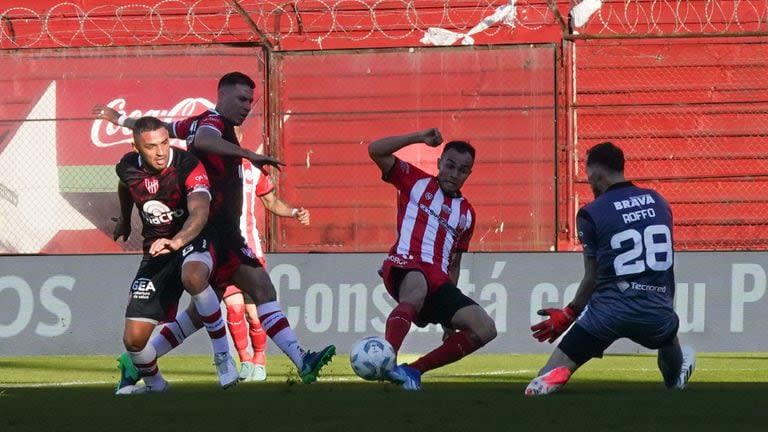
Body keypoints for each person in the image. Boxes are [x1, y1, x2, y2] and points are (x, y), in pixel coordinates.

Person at [94, 72, 335, 391]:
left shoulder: (193, 123)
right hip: (212, 231)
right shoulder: (213, 123)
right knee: (250, 291)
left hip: (224, 231)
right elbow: (206, 140)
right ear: (221, 96)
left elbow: (155, 130)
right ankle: (279, 360)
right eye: (241, 99)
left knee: (222, 303)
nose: (247, 106)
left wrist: (121, 119)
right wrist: (248, 155)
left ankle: (137, 361)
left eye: (251, 100)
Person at [525, 141, 696, 396]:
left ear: (595, 173)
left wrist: (569, 314)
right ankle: (675, 380)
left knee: (545, 376)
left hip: (606, 316)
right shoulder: (659, 202)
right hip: (655, 313)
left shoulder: (591, 213)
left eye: (588, 176)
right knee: (669, 337)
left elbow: (592, 277)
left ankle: (558, 374)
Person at [112, 116, 238, 394]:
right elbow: (126, 186)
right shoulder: (127, 167)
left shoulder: (188, 165)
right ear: (136, 148)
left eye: (165, 142)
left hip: (195, 236)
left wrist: (177, 240)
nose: (160, 151)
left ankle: (223, 356)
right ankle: (157, 386)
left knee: (193, 276)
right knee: (133, 341)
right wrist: (124, 218)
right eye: (151, 146)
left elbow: (200, 212)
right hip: (157, 248)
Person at [367, 128, 497, 391]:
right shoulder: (415, 181)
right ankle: (386, 359)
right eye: (450, 165)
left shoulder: (467, 214)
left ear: (468, 174)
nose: (454, 173)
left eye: (462, 170)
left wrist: (450, 322)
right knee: (417, 288)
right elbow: (375, 150)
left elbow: (454, 264)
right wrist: (417, 138)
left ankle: (412, 371)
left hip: (438, 279)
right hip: (405, 263)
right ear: (439, 163)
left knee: (485, 328)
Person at [224, 157, 311, 382]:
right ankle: (244, 360)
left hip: (250, 250)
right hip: (223, 250)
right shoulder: (210, 166)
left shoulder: (252, 170)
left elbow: (271, 202)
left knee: (254, 314)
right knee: (234, 308)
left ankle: (259, 360)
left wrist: (294, 212)